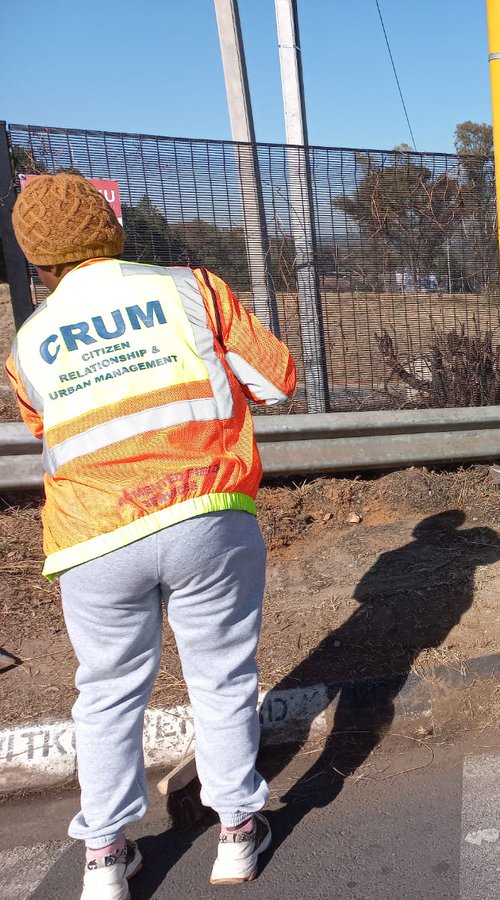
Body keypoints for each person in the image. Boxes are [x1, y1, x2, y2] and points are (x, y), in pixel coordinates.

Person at [4, 174, 296, 898]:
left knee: (105, 693)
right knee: (222, 677)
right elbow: (278, 380)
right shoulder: (192, 289)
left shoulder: (29, 342)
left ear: (35, 259)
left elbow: (47, 428)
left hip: (93, 537)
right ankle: (235, 835)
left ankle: (104, 857)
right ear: (112, 226)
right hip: (206, 512)